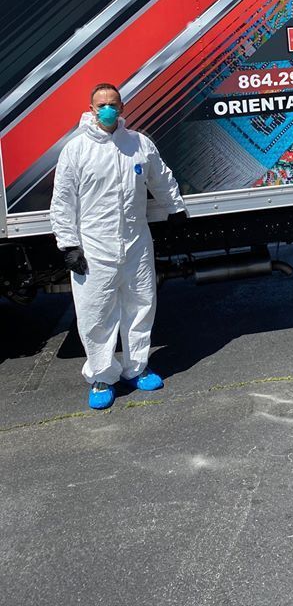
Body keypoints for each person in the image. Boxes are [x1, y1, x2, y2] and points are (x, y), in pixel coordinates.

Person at [50, 83, 188, 409]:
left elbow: (160, 177)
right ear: (91, 108)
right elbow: (63, 201)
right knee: (96, 313)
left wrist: (175, 207)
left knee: (140, 304)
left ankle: (136, 368)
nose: (108, 109)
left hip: (136, 242)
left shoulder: (138, 144)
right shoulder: (76, 150)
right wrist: (68, 244)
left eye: (113, 103)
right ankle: (101, 376)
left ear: (122, 107)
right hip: (94, 246)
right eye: (102, 105)